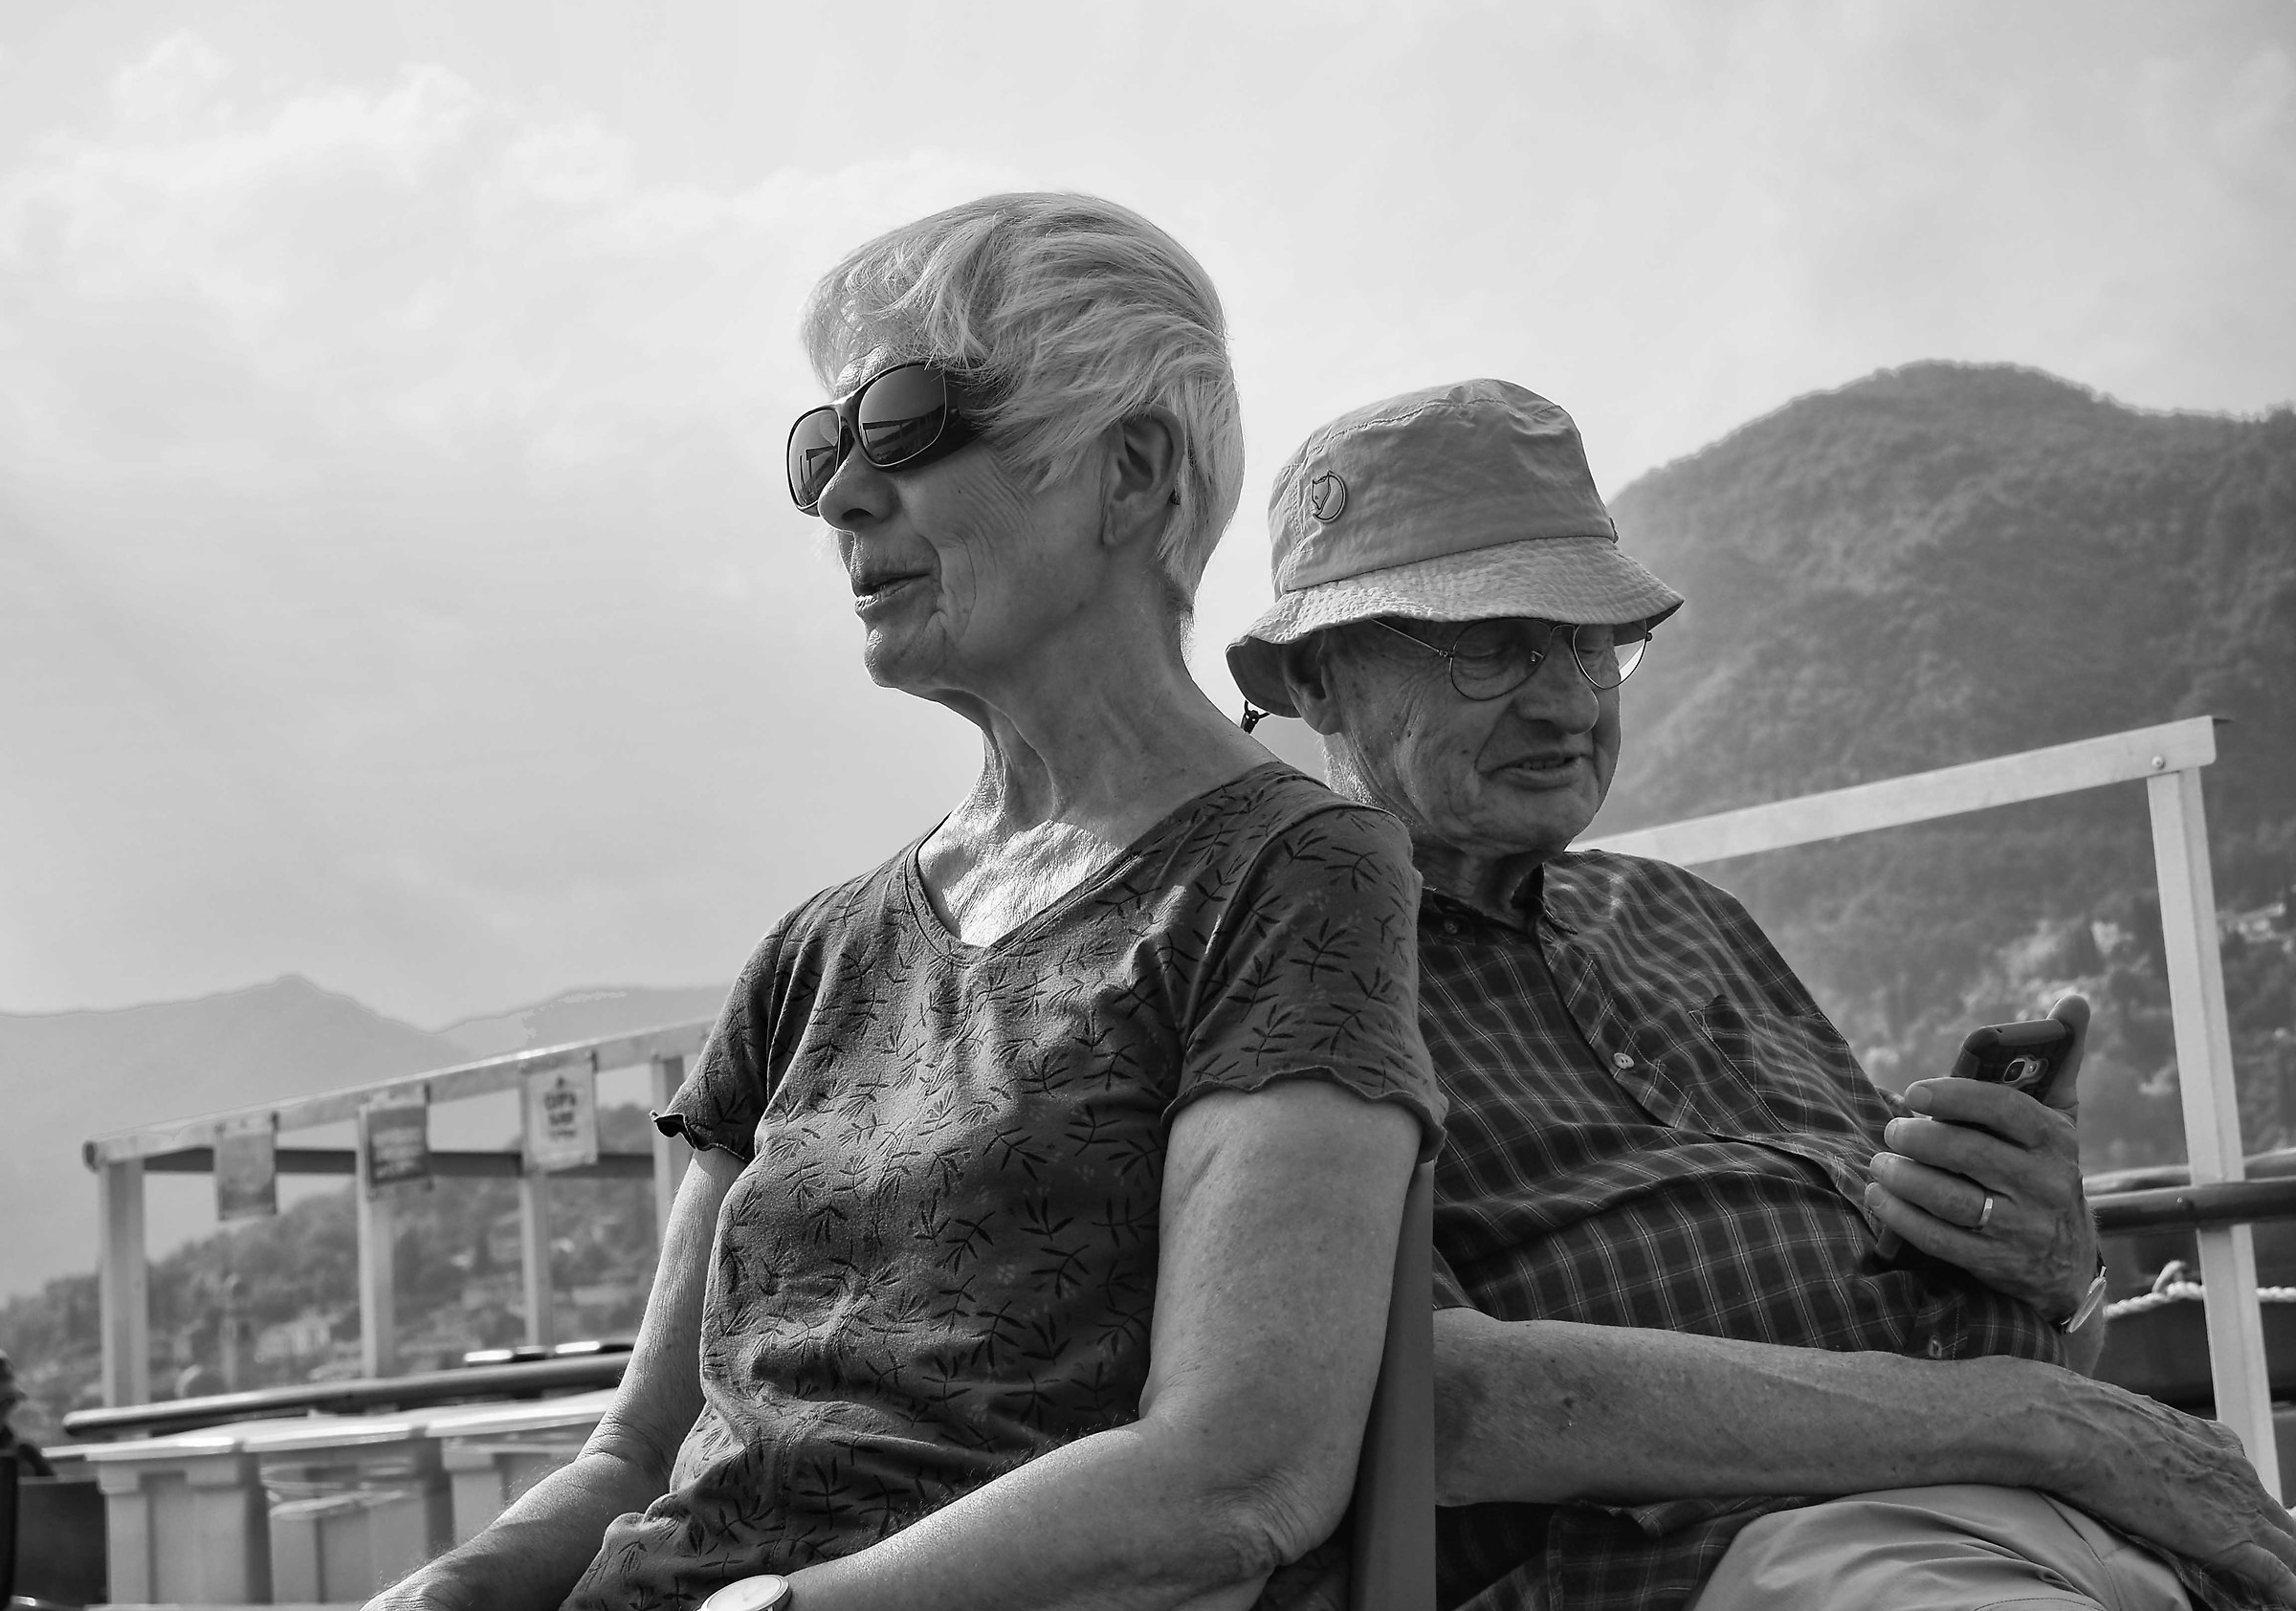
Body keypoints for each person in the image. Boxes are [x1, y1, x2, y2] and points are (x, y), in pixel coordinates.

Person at [373, 194, 1443, 1611]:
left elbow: (1238, 1472)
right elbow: (639, 1453)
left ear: (1133, 473)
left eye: (909, 425)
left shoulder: (1288, 873)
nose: (840, 497)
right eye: (824, 448)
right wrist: (444, 1591)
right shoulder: (815, 954)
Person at [1225, 378, 2296, 1611]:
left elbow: (1985, 1336)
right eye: (1489, 646)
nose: (1568, 700)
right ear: (1318, 682)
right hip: (1747, 1560)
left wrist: (2057, 1274)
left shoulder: (1678, 915)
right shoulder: (1295, 969)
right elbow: (1451, 1411)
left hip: (2055, 1517)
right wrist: (2038, 1418)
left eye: (1588, 642)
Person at [0, 1351, 55, 1478]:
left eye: (11, 1401)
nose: (7, 1409)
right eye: (3, 1403)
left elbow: (59, 1494)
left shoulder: (25, 1454)